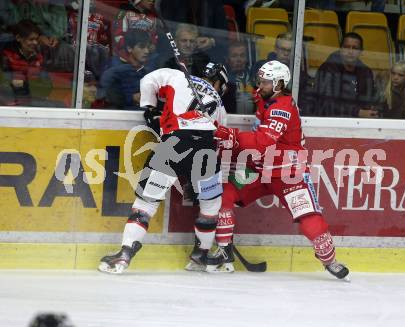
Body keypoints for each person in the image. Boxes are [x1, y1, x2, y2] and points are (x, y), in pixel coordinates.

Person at [209, 60, 350, 280]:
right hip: (258, 169)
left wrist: (231, 136)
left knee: (309, 219)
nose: (259, 86)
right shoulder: (266, 99)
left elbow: (263, 141)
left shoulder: (281, 109)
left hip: (287, 173)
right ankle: (223, 251)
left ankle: (330, 260)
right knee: (224, 194)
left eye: (265, 82)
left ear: (279, 84)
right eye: (260, 81)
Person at [98, 62, 229, 274]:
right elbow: (221, 135)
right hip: (205, 149)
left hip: (174, 145)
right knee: (211, 206)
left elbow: (147, 80)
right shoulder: (219, 102)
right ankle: (200, 257)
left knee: (146, 203)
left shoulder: (177, 76)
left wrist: (150, 108)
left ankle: (124, 255)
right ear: (219, 82)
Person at [313, 32, 377, 118]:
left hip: (357, 122)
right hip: (329, 120)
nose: (350, 51)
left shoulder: (366, 72)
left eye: (355, 48)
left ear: (361, 52)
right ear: (341, 49)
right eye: (347, 47)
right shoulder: (328, 69)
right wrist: (357, 112)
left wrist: (370, 109)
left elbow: (368, 100)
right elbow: (327, 103)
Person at [96, 30, 154, 110]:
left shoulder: (148, 71)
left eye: (148, 47)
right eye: (142, 47)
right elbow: (103, 94)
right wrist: (132, 97)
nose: (146, 51)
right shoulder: (114, 67)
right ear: (129, 48)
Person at [1, 19, 53, 106]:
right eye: (31, 39)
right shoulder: (6, 56)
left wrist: (26, 82)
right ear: (18, 38)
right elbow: (5, 84)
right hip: (10, 104)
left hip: (35, 101)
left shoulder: (40, 57)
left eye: (36, 39)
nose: (35, 42)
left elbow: (47, 87)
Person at [222, 41, 254, 114]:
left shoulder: (254, 77)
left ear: (246, 59)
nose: (239, 60)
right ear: (227, 59)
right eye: (234, 56)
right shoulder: (223, 80)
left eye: (242, 56)